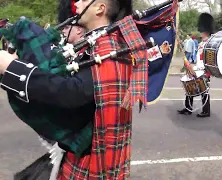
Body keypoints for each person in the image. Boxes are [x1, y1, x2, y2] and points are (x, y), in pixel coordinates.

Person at [0, 0, 137, 179]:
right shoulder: (98, 43)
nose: (77, 3)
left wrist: (12, 68)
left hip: (91, 160)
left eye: (84, 0)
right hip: (79, 152)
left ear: (100, 9)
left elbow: (72, 93)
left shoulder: (109, 48)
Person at [177, 13, 214, 118]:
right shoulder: (202, 43)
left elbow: (209, 59)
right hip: (198, 68)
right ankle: (188, 108)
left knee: (204, 91)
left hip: (204, 70)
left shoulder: (210, 43)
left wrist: (205, 70)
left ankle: (206, 111)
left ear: (206, 31)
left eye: (201, 31)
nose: (200, 32)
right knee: (190, 87)